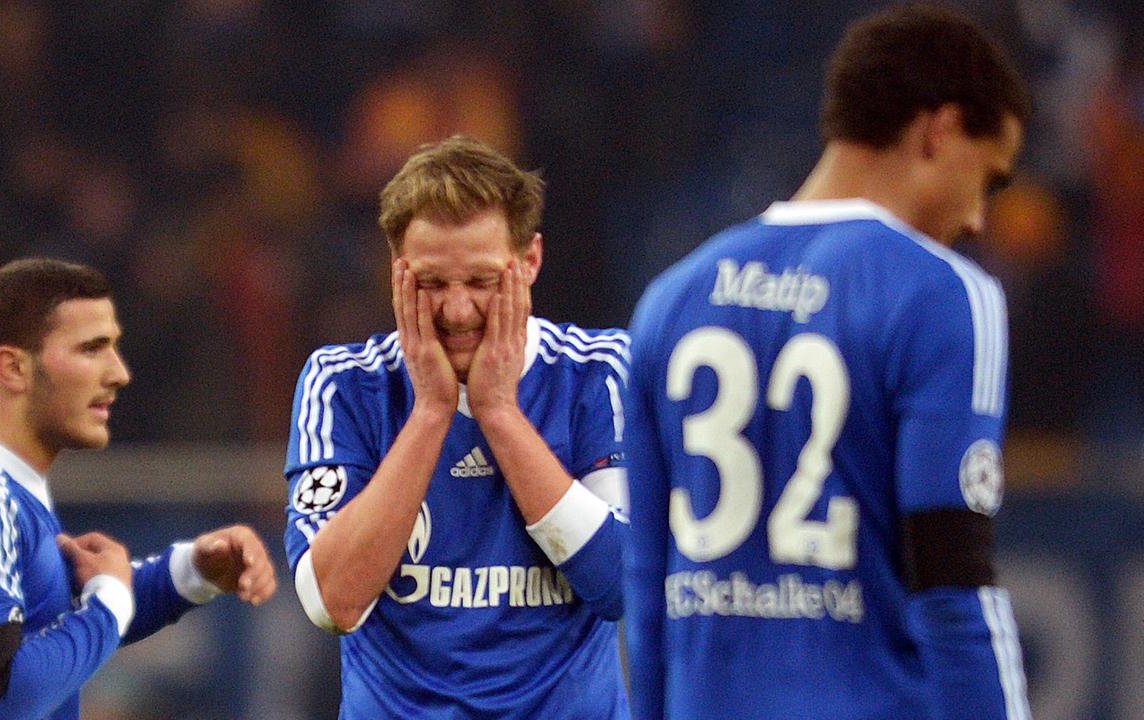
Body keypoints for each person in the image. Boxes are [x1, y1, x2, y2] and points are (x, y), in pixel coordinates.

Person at [623, 5, 1032, 719]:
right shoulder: (943, 295)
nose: (977, 218)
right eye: (988, 180)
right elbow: (951, 581)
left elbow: (647, 587)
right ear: (938, 130)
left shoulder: (671, 298)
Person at [283, 135, 630, 718]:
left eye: (482, 282)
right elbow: (331, 603)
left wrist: (499, 413)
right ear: (396, 271)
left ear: (531, 261)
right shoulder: (344, 384)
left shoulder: (598, 374)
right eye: (432, 284)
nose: (458, 310)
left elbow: (624, 584)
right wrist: (431, 412)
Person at [0, 258, 278, 720]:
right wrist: (110, 601)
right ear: (14, 369)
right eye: (90, 349)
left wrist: (189, 571)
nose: (119, 373)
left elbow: (50, 625)